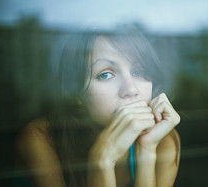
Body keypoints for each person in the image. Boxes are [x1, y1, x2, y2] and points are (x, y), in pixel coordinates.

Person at [15, 26, 181, 187]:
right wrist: (102, 158)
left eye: (139, 72)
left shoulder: (161, 138)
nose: (131, 89)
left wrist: (146, 150)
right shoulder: (41, 138)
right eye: (106, 75)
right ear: (76, 94)